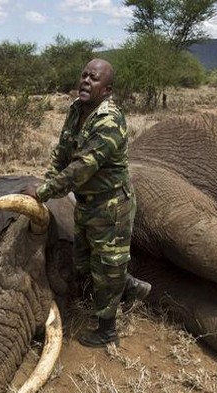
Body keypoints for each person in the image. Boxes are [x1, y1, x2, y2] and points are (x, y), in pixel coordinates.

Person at [22, 59, 151, 348]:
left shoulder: (110, 120)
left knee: (106, 267)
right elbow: (62, 154)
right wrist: (48, 179)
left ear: (106, 90)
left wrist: (43, 192)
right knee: (84, 260)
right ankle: (129, 285)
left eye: (93, 78)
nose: (85, 81)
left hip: (111, 207)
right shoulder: (76, 110)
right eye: (83, 75)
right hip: (85, 203)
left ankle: (107, 329)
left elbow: (82, 167)